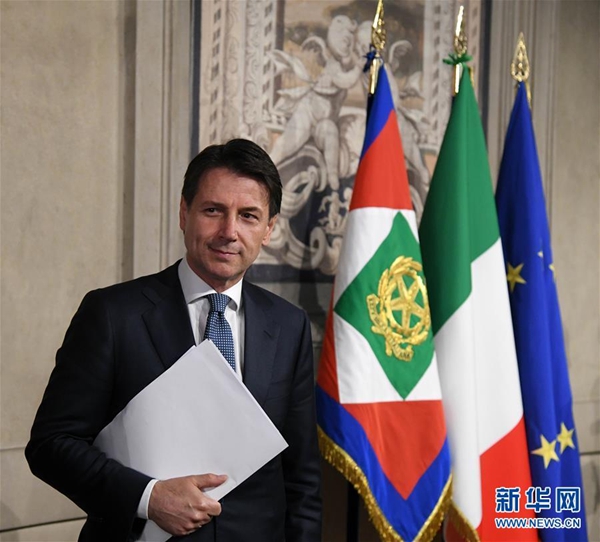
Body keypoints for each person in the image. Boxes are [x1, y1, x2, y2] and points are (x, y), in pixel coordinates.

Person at [26, 139, 322, 542]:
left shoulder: (289, 324)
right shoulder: (112, 314)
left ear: (268, 229)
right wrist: (148, 498)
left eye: (248, 216)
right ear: (184, 213)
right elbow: (51, 445)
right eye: (213, 210)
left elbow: (302, 477)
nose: (229, 232)